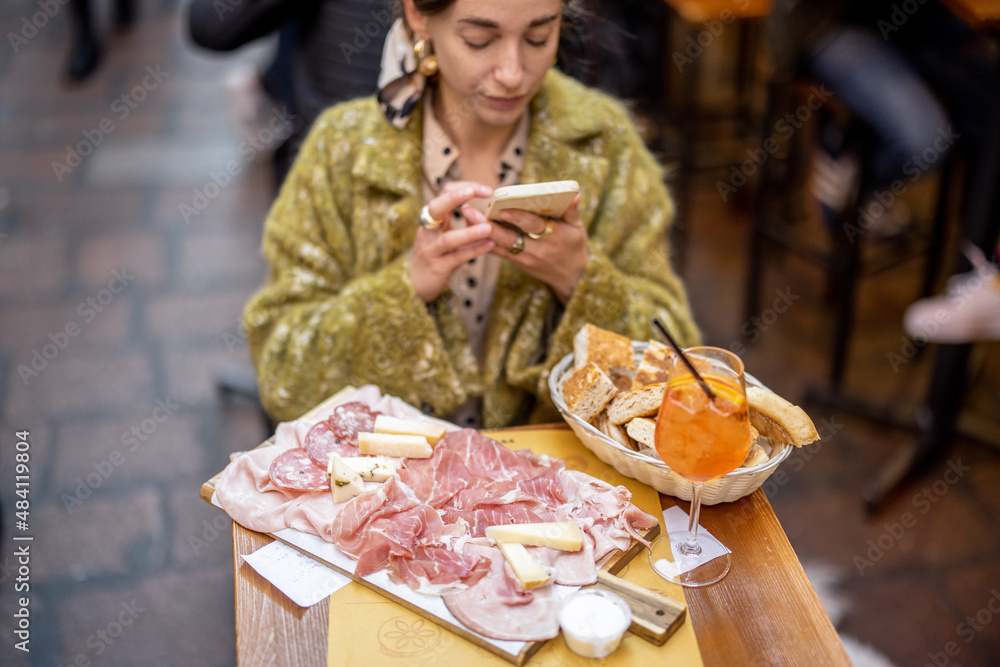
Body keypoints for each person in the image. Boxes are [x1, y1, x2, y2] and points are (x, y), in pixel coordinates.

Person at [242, 0, 700, 428]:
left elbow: (676, 373)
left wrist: (582, 279)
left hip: (555, 501)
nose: (512, 73)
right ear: (419, 17)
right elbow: (283, 374)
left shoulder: (604, 143)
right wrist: (403, 289)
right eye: (480, 40)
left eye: (539, 38)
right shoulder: (340, 151)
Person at [767, 0, 952, 239]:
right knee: (927, 142)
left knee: (984, 102)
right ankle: (850, 165)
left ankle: (976, 261)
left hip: (915, 22)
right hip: (822, 27)